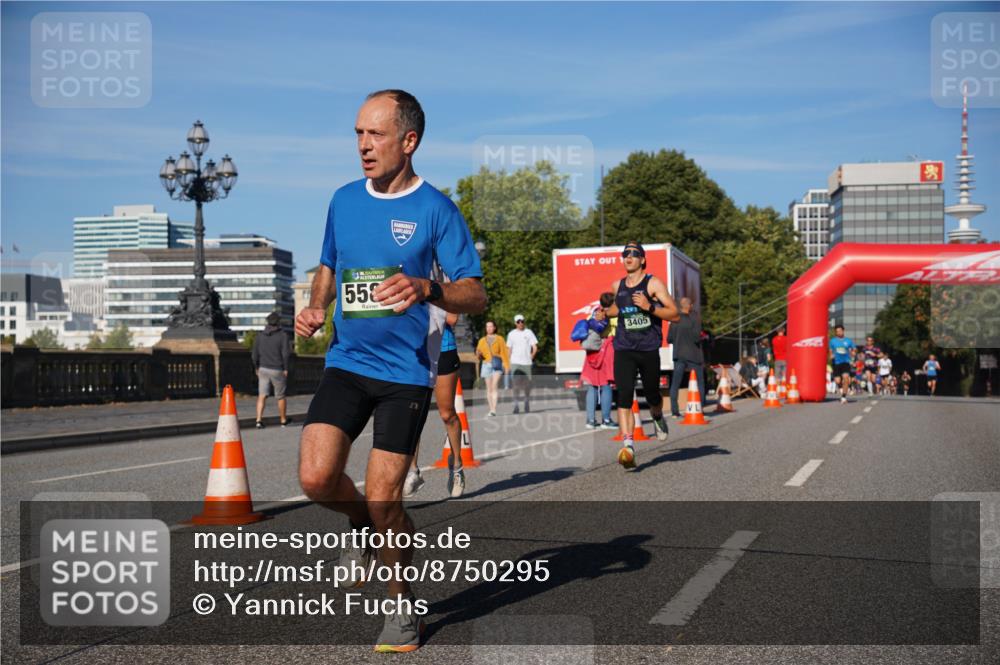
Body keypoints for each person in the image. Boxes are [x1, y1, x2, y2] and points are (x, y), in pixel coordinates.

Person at [294, 89, 486, 653]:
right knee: (315, 478)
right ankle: (362, 526)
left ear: (409, 140)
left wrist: (427, 286)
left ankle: (403, 609)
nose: (362, 145)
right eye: (357, 133)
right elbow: (330, 265)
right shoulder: (343, 199)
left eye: (374, 134)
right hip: (347, 362)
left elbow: (473, 292)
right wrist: (316, 305)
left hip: (405, 372)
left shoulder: (437, 209)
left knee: (386, 498)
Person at [601, 241, 679, 469]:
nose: (629, 257)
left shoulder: (653, 283)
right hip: (624, 348)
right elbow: (618, 309)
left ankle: (657, 417)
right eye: (625, 254)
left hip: (648, 348)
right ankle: (628, 447)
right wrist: (604, 314)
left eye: (634, 254)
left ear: (643, 259)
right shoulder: (618, 285)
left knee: (653, 394)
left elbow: (674, 314)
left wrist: (649, 307)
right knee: (624, 396)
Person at [403, 311, 466, 499]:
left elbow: (453, 318)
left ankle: (457, 466)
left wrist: (424, 296)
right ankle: (413, 471)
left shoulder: (443, 284)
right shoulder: (409, 281)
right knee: (413, 413)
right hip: (416, 352)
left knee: (447, 414)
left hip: (443, 350)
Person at [580, 293, 616, 429]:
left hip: (591, 351)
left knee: (592, 386)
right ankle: (606, 420)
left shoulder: (594, 313)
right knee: (606, 385)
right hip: (605, 350)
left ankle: (590, 420)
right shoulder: (613, 315)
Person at [251, 311, 291, 428]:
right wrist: (286, 368)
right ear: (278, 322)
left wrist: (256, 367)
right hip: (277, 368)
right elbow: (285, 354)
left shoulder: (260, 336)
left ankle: (258, 420)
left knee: (262, 395)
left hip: (263, 368)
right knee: (281, 396)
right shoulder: (283, 336)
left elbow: (254, 354)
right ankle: (283, 420)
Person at [667, 296, 704, 419]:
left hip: (678, 355)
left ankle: (674, 411)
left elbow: (669, 339)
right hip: (693, 355)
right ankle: (700, 408)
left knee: (675, 383)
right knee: (699, 382)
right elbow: (696, 337)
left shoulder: (674, 319)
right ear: (690, 306)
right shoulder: (695, 318)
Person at [475, 320, 509, 417]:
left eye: (491, 326)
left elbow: (504, 353)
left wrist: (507, 366)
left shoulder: (500, 339)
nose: (489, 328)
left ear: (494, 327)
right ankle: (491, 409)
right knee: (489, 388)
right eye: (487, 327)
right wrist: (478, 354)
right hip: (486, 365)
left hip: (497, 364)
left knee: (494, 386)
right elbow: (478, 355)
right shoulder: (482, 340)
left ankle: (494, 409)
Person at [506, 314, 538, 414]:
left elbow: (535, 347)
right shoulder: (511, 334)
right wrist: (508, 362)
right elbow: (509, 349)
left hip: (526, 363)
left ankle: (526, 402)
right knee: (515, 385)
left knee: (527, 385)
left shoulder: (529, 332)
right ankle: (516, 405)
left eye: (522, 321)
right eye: (518, 321)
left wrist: (531, 356)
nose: (520, 323)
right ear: (515, 323)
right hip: (515, 362)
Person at [829, 325, 855, 404]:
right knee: (837, 381)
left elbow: (854, 349)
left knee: (846, 378)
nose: (839, 332)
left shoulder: (848, 341)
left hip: (845, 362)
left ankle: (843, 397)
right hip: (836, 363)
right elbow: (830, 351)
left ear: (843, 331)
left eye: (840, 331)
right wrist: (831, 355)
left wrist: (853, 353)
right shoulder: (832, 341)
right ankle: (841, 388)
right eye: (837, 331)